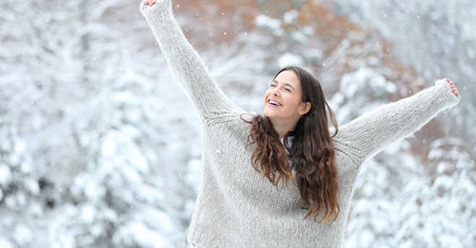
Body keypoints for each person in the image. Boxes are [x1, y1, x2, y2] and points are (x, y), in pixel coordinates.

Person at [139, 0, 460, 247]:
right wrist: (160, 16)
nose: (275, 91)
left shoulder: (333, 156)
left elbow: (385, 123)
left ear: (305, 106)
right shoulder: (229, 129)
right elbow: (193, 75)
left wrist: (439, 96)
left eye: (287, 88)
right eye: (273, 84)